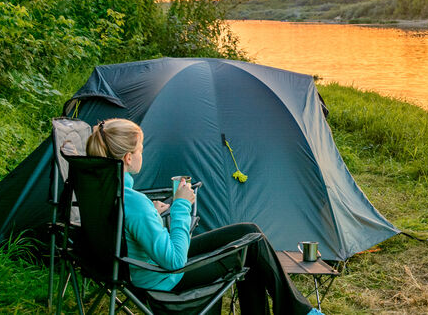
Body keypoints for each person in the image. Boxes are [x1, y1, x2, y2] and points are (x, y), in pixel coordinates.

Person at [86, 118, 319, 315]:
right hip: (164, 277)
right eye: (140, 150)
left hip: (140, 267)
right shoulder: (135, 203)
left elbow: (128, 226)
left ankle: (298, 309)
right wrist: (180, 206)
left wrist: (153, 213)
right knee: (251, 249)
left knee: (249, 232)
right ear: (128, 157)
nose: (142, 154)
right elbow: (175, 261)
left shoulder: (106, 192)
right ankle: (299, 311)